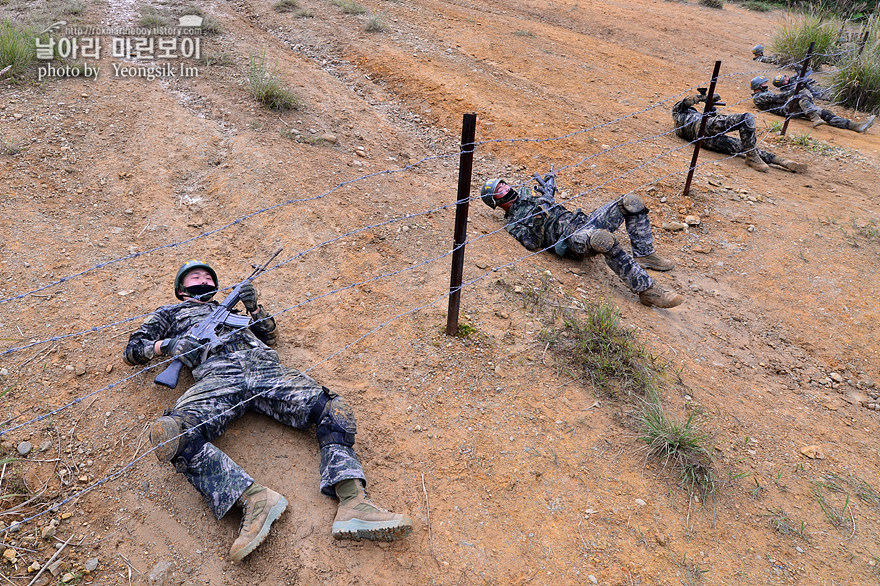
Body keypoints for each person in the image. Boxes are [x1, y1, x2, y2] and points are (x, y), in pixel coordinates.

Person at [123, 260, 413, 561]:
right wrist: (168, 345)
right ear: (181, 289)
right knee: (171, 435)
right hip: (216, 376)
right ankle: (254, 499)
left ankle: (354, 502)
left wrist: (253, 307)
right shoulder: (169, 313)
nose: (204, 279)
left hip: (265, 369)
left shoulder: (230, 311)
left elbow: (269, 334)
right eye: (195, 276)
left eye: (209, 277)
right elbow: (132, 350)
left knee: (334, 411)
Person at [481, 175, 684, 309]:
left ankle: (645, 254)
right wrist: (540, 213)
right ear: (496, 202)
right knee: (604, 240)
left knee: (631, 202)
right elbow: (533, 243)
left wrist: (549, 192)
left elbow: (547, 200)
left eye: (503, 183)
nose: (506, 187)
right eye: (500, 189)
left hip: (582, 222)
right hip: (570, 241)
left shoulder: (527, 192)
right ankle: (648, 290)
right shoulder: (513, 224)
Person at [671, 90, 808, 173]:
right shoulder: (678, 113)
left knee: (744, 147)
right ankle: (755, 158)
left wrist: (710, 107)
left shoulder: (683, 123)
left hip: (706, 140)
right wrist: (701, 97)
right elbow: (685, 102)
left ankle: (781, 161)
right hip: (703, 127)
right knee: (745, 118)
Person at [751, 75, 876, 133]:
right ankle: (814, 117)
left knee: (825, 113)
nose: (766, 85)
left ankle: (854, 126)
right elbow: (779, 98)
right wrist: (795, 90)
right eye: (763, 84)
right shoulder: (758, 98)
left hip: (793, 107)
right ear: (757, 87)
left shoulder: (762, 95)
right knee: (802, 93)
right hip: (785, 110)